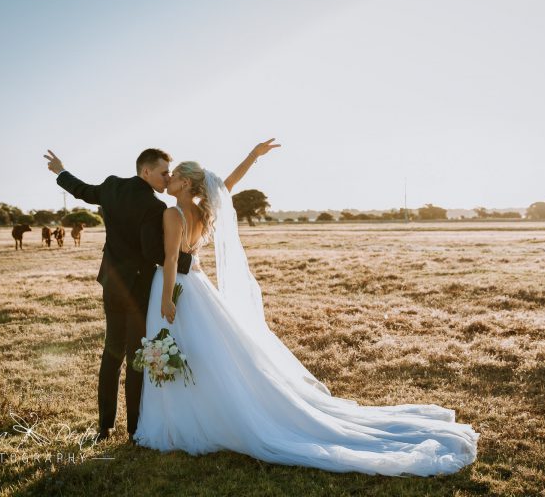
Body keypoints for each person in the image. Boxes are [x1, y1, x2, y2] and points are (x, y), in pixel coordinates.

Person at [133, 141, 480, 476]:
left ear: (186, 183)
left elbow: (171, 258)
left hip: (177, 287)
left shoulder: (173, 212)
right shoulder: (199, 208)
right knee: (198, 354)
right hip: (200, 288)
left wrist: (166, 299)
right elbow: (225, 186)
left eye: (173, 175)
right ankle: (193, 417)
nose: (168, 179)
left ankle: (182, 423)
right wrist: (252, 156)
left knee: (185, 350)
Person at [44, 147, 177, 442]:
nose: (168, 178)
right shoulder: (154, 207)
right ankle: (134, 429)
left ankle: (104, 426)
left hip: (111, 283)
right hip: (137, 290)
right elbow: (152, 252)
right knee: (134, 358)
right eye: (164, 172)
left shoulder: (112, 186)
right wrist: (186, 261)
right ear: (146, 171)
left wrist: (61, 171)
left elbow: (83, 191)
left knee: (111, 351)